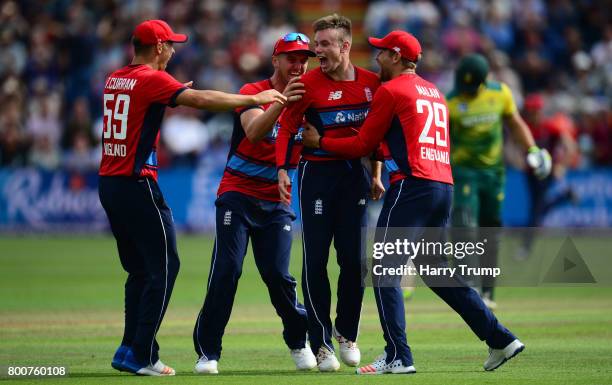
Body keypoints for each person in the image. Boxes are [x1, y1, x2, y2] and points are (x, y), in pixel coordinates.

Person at [302, 30, 529, 375]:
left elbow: (362, 143)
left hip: (413, 187)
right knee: (439, 274)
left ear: (395, 56)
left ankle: (398, 356)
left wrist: (321, 141)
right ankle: (499, 338)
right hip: (443, 186)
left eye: (381, 53)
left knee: (384, 271)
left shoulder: (391, 90)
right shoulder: (435, 91)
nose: (376, 58)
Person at [99, 19, 286, 376]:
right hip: (137, 184)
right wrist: (253, 98)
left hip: (109, 183)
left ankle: (129, 348)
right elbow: (200, 99)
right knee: (166, 266)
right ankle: (142, 354)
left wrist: (168, 92)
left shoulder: (115, 78)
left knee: (138, 269)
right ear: (157, 48)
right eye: (170, 45)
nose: (172, 51)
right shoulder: (153, 79)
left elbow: (142, 104)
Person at [192, 32, 317, 375]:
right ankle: (208, 352)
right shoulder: (253, 93)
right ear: (275, 61)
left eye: (304, 58)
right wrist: (281, 102)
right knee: (227, 270)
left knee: (278, 276)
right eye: (291, 58)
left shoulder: (312, 100)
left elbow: (323, 141)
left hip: (277, 202)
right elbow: (254, 133)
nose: (299, 64)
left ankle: (298, 339)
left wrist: (319, 138)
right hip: (238, 195)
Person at [275, 14, 382, 372]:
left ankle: (347, 333)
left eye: (323, 44)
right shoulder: (307, 84)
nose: (316, 51)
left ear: (345, 46)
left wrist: (378, 173)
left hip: (354, 178)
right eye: (315, 44)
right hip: (315, 175)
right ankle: (320, 343)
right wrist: (281, 170)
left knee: (353, 261)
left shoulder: (371, 84)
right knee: (315, 260)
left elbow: (376, 136)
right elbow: (287, 126)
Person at [446, 54, 551, 309]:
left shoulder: (500, 94)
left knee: (490, 229)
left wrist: (532, 150)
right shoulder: (449, 102)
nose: (468, 92)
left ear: (484, 81)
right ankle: (465, 281)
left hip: (494, 173)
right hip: (463, 170)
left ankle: (488, 292)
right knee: (463, 220)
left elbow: (516, 125)